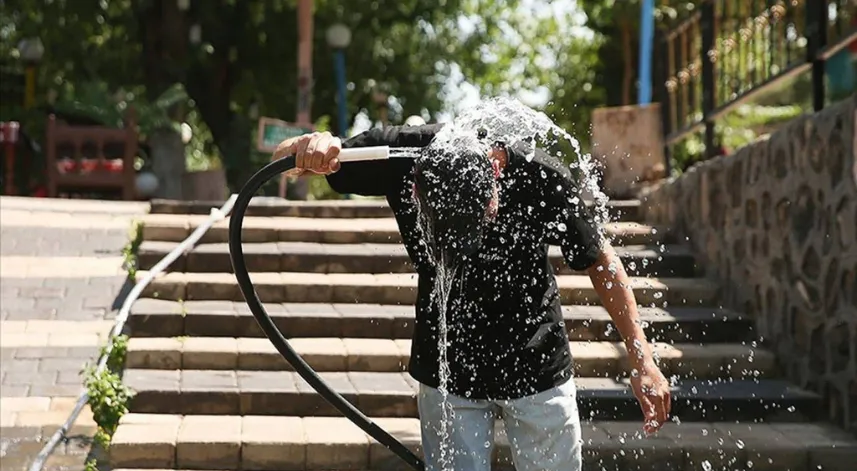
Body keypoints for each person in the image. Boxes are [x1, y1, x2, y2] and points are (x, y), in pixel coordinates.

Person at [273, 123, 671, 471]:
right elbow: (282, 159)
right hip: (447, 368)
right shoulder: (395, 154)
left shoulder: (541, 175)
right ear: (414, 186)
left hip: (535, 363)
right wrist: (308, 147)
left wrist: (642, 359)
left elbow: (601, 262)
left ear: (496, 173)